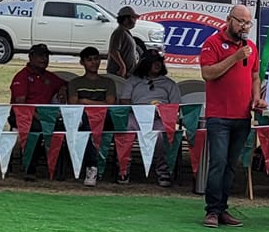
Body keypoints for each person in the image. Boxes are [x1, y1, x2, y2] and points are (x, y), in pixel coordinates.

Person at [196, 5, 261, 227]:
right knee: (218, 163)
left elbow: (254, 76)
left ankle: (223, 208)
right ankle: (212, 210)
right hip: (219, 116)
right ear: (229, 19)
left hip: (242, 115)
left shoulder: (251, 47)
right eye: (241, 21)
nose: (244, 26)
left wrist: (256, 98)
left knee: (231, 165)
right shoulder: (213, 43)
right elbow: (207, 73)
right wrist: (234, 57)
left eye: (248, 22)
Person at [127, 48, 185, 187]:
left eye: (159, 61)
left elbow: (175, 106)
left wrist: (162, 112)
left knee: (161, 136)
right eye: (153, 62)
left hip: (159, 118)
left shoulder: (169, 84)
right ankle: (123, 169)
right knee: (125, 131)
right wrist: (140, 112)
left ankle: (162, 171)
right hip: (135, 116)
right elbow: (124, 101)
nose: (157, 64)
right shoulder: (133, 81)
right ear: (145, 63)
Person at [10, 44, 68, 179]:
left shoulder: (49, 77)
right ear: (31, 57)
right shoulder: (22, 76)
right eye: (40, 55)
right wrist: (40, 118)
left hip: (44, 114)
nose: (44, 59)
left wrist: (62, 89)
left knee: (64, 127)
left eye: (46, 56)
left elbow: (67, 83)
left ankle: (57, 169)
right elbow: (20, 104)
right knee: (36, 128)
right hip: (22, 114)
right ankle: (30, 168)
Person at [63, 47, 118, 185]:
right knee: (84, 127)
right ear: (82, 62)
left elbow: (110, 104)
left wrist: (86, 101)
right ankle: (92, 166)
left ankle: (91, 166)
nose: (94, 63)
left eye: (96, 59)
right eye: (89, 60)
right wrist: (99, 103)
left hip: (105, 118)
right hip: (84, 119)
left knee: (87, 126)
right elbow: (74, 104)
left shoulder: (108, 82)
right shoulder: (75, 83)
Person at [106, 6, 143, 82]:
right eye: (133, 18)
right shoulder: (119, 32)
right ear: (126, 19)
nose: (135, 21)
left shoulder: (125, 32)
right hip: (118, 74)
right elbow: (113, 51)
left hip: (125, 75)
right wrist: (122, 67)